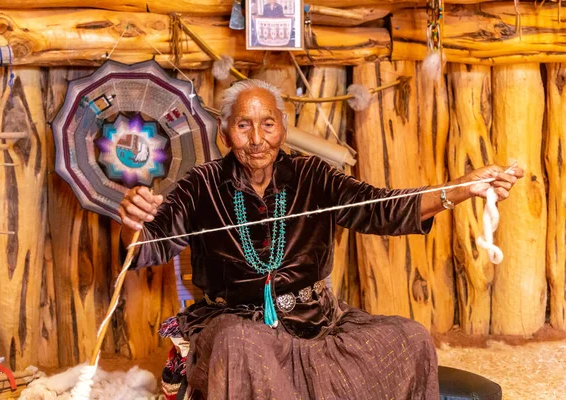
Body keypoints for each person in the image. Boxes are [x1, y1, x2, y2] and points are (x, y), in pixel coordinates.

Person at [119, 79, 523, 399]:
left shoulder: (314, 175)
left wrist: (461, 187)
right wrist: (132, 222)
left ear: (283, 128)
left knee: (409, 337)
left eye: (268, 124)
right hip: (237, 326)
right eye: (243, 125)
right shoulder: (202, 183)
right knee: (241, 347)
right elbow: (146, 247)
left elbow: (380, 207)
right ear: (225, 134)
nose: (257, 138)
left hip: (318, 323)